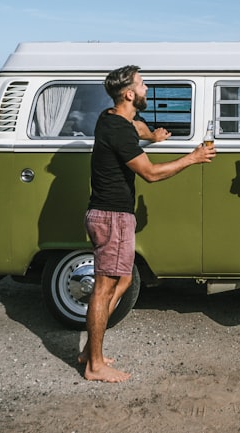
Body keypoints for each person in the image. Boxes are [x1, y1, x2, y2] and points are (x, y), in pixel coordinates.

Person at [81, 65, 215, 382]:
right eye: (141, 84)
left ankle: (91, 350)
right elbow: (151, 174)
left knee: (123, 281)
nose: (146, 88)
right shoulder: (118, 130)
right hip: (111, 217)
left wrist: (151, 135)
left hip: (116, 215)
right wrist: (192, 159)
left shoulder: (109, 117)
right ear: (129, 94)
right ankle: (94, 365)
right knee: (103, 289)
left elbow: (136, 126)